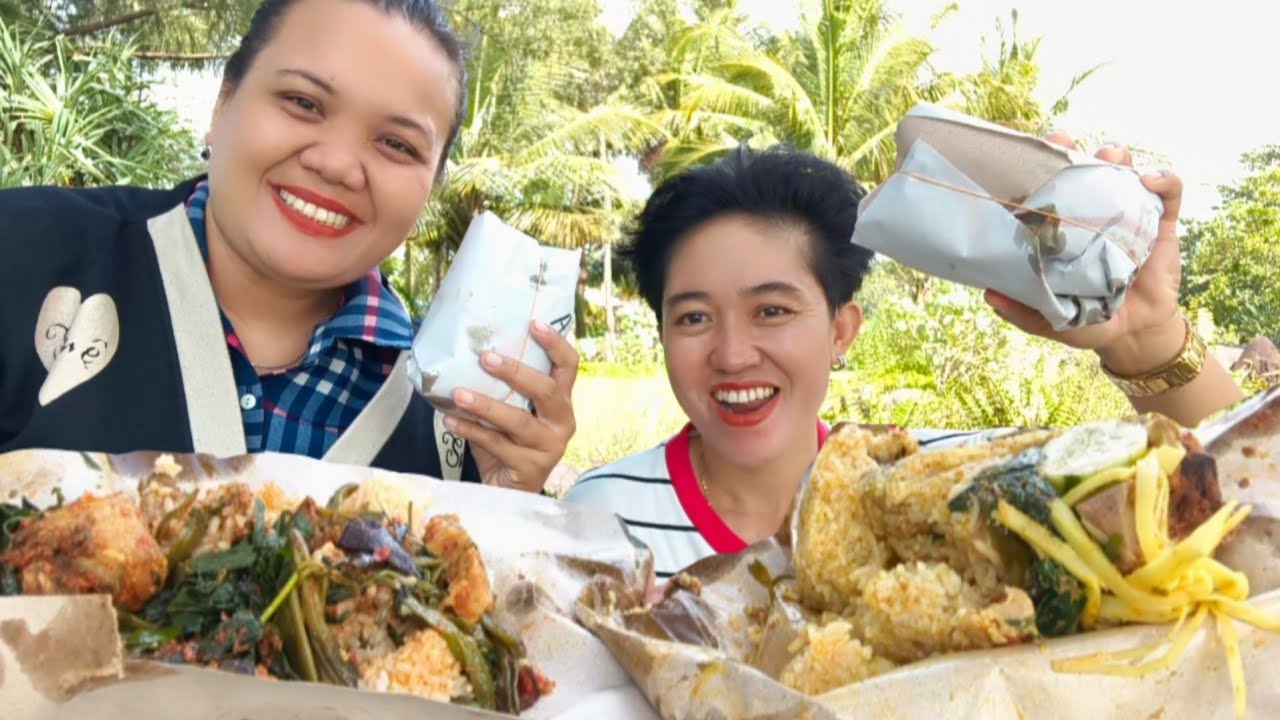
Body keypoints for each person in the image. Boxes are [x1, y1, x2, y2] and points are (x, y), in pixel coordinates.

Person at [563, 143, 1244, 582]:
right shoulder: (598, 519)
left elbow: (1245, 507)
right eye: (693, 318)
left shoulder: (951, 493)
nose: (734, 354)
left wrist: (1148, 339)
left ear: (842, 329)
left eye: (772, 309)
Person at [0, 0, 577, 492]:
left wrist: (498, 505)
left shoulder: (446, 422)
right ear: (223, 104)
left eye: (397, 144)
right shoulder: (23, 254)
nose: (336, 164)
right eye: (303, 103)